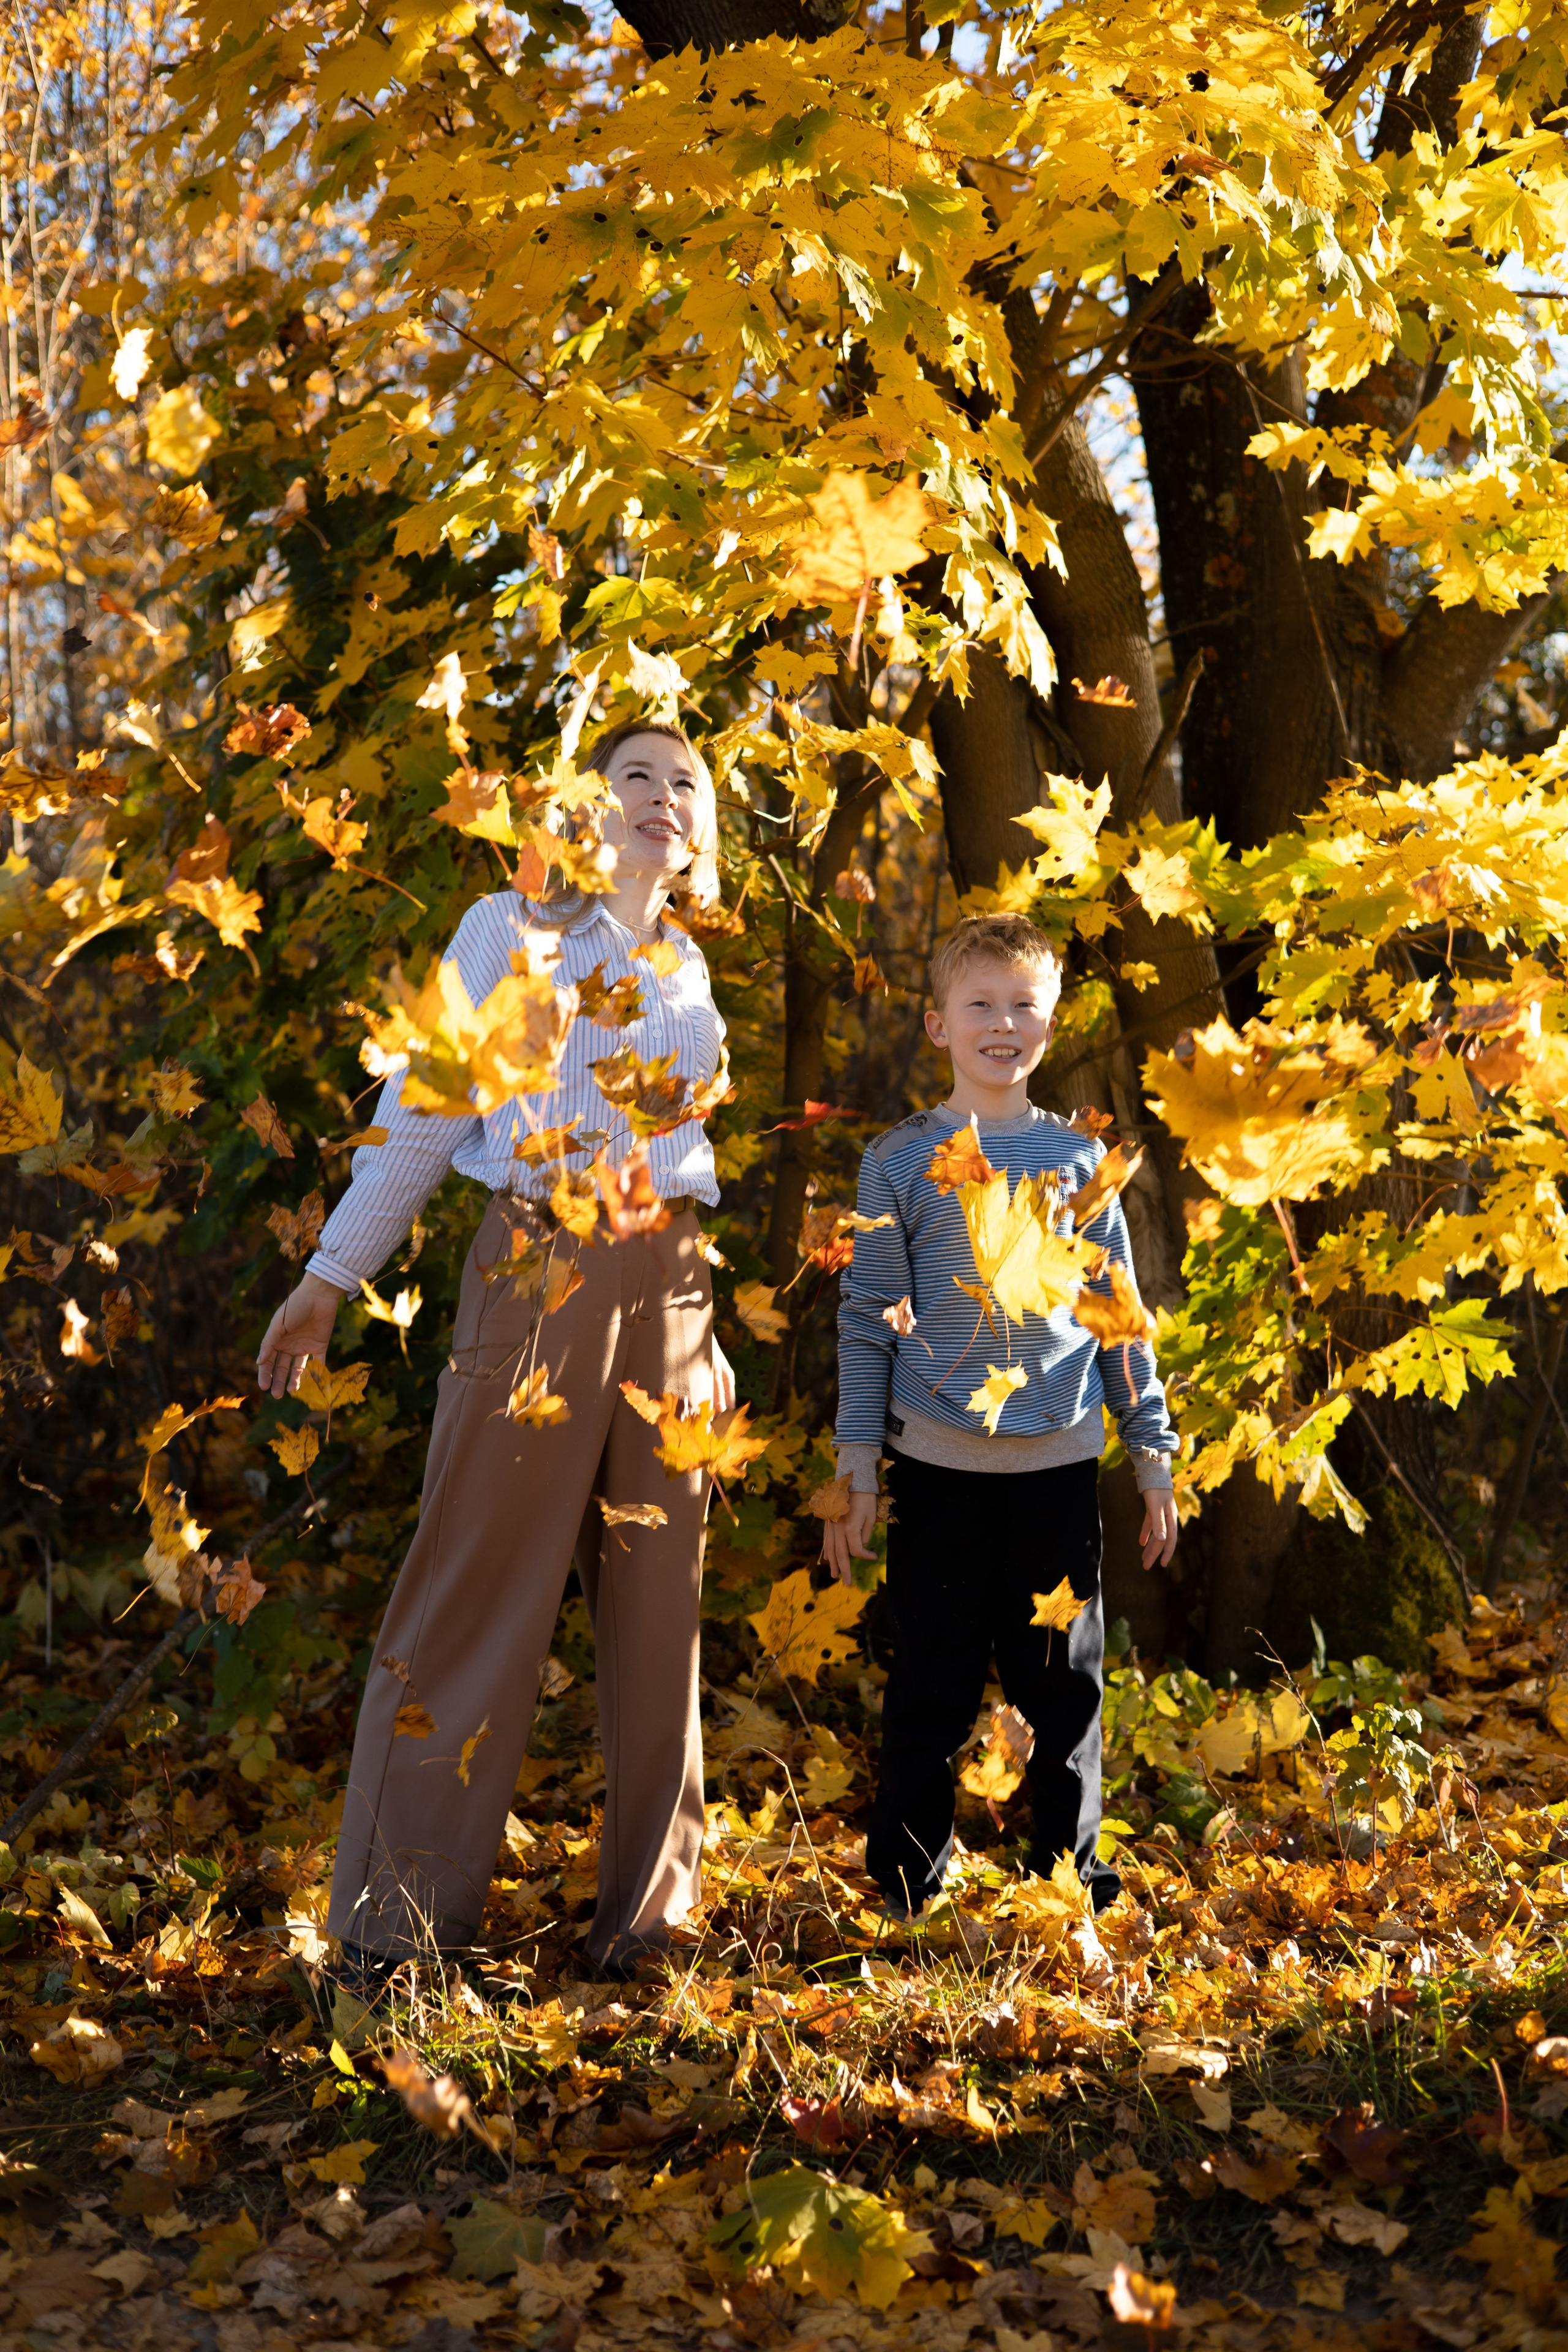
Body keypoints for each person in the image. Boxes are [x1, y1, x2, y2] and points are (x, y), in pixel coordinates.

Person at [255, 722, 736, 1983]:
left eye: (686, 782)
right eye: (636, 774)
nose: (663, 794)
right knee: (474, 1594)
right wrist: (329, 1275)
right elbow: (420, 1112)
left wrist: (707, 1328)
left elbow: (686, 1165)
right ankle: (393, 1938)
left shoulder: (688, 970)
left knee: (659, 1614)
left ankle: (648, 1930)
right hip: (539, 1273)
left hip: (674, 1287)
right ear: (586, 809)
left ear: (701, 834)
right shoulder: (507, 930)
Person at [821, 911, 1179, 1924]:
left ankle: (1068, 1885)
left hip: (1058, 1472)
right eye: (979, 1004)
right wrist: (856, 1467)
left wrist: (1151, 1458)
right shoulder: (899, 1162)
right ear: (937, 1026)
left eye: (1024, 1004)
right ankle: (902, 1886)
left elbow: (1121, 1324)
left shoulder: (1079, 1165)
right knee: (928, 1684)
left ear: (1052, 1026)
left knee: (1062, 1690)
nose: (1002, 1023)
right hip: (933, 1472)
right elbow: (866, 1322)